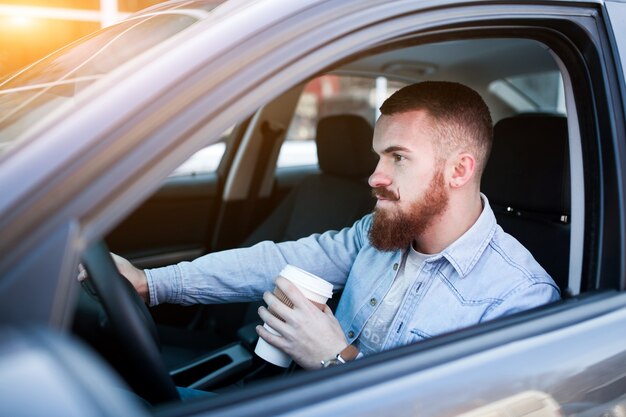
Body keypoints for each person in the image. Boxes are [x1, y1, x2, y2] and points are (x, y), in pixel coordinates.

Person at [85, 81, 560, 370]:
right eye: (379, 155)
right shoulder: (379, 235)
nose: (375, 176)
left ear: (458, 170)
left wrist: (337, 361)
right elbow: (277, 260)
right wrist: (152, 283)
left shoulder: (520, 298)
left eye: (398, 158)